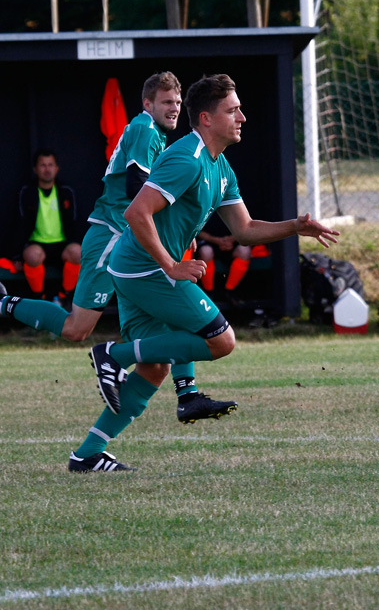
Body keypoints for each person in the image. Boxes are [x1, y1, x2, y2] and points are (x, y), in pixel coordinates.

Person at [68, 73, 338, 472]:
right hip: (142, 268)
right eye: (233, 110)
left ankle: (88, 454)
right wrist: (171, 265)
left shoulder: (219, 164)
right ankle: (112, 354)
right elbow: (135, 212)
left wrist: (295, 226)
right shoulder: (186, 157)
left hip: (140, 268)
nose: (242, 117)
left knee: (155, 367)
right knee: (221, 340)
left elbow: (243, 228)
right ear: (207, 119)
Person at [0, 73, 238, 425]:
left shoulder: (158, 135)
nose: (173, 109)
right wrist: (160, 220)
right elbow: (136, 185)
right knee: (76, 329)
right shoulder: (144, 128)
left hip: (131, 238)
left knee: (166, 332)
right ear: (147, 104)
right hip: (114, 235)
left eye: (176, 102)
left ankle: (181, 398)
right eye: (165, 102)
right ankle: (4, 302)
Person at [12, 148, 83, 305]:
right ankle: (40, 299)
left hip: (62, 243)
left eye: (50, 165)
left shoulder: (66, 191)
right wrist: (17, 255)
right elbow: (20, 223)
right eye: (42, 165)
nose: (47, 169)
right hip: (38, 243)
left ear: (57, 168)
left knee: (78, 252)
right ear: (35, 169)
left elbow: (75, 222)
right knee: (31, 255)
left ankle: (64, 297)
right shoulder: (27, 191)